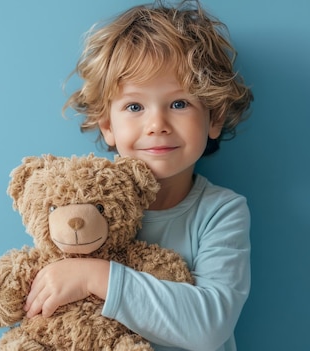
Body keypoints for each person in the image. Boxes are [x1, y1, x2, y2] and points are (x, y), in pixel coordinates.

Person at [24, 0, 253, 349]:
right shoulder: (80, 209)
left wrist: (96, 276)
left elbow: (209, 327)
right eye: (134, 106)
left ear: (214, 119)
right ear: (107, 126)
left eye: (179, 103)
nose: (156, 125)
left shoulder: (221, 212)